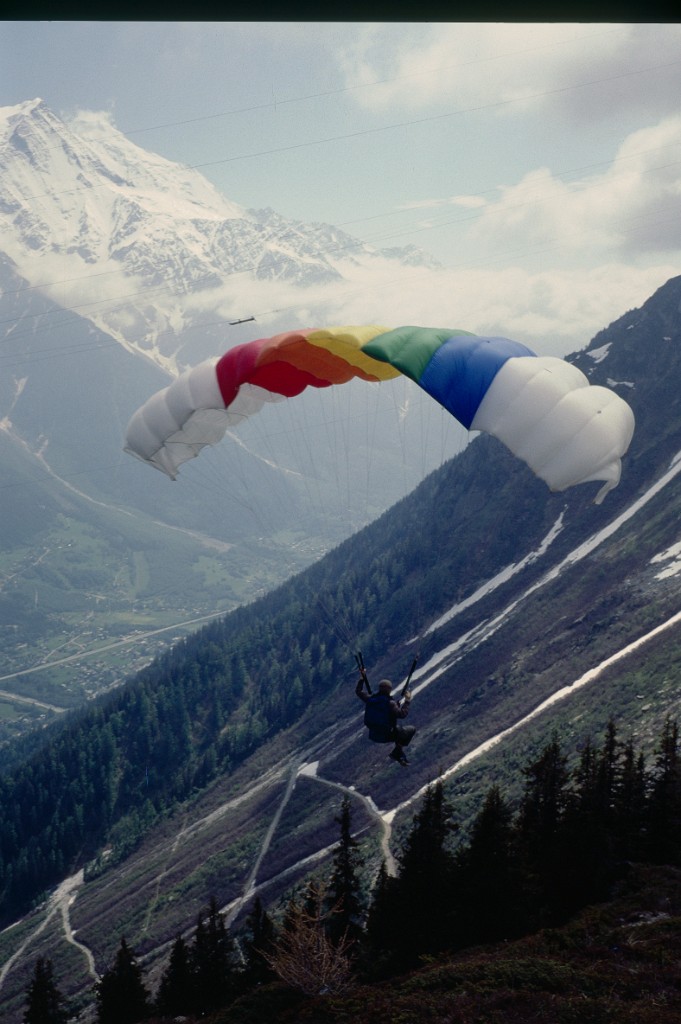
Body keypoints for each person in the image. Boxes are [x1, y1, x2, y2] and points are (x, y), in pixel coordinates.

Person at [356, 677, 415, 766]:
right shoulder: (390, 703)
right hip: (387, 735)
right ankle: (397, 753)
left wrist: (362, 678)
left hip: (373, 735)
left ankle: (398, 754)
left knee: (397, 730)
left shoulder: (370, 699)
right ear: (389, 690)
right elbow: (402, 714)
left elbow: (358, 691)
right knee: (410, 730)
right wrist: (407, 701)